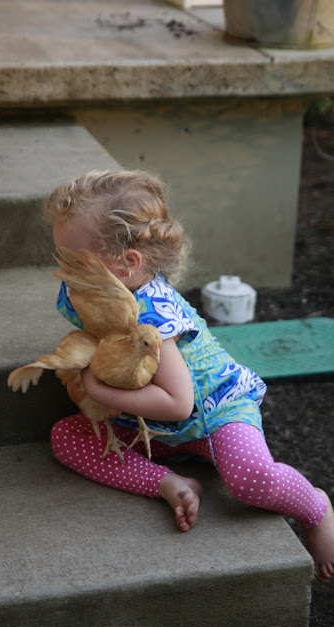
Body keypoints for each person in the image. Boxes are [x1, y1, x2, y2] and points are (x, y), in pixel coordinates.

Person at [45, 169, 334, 582]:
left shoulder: (154, 317)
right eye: (61, 257)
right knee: (66, 437)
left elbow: (178, 404)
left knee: (251, 480)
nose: (63, 272)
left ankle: (316, 509)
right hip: (152, 428)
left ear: (128, 264)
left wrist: (97, 390)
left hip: (215, 412)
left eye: (74, 260)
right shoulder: (87, 294)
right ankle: (169, 483)